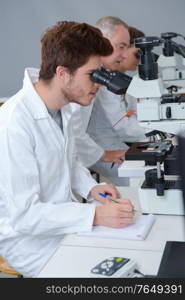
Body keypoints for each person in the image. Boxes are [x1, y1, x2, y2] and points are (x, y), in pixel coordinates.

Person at [0, 21, 135, 277]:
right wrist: (95, 214)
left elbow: (67, 160)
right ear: (63, 73)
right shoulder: (12, 125)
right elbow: (25, 215)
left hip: (63, 225)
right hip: (30, 243)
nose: (99, 83)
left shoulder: (64, 108)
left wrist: (90, 187)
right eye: (92, 75)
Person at [85, 17, 147, 186]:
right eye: (122, 47)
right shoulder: (96, 79)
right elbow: (122, 125)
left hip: (108, 145)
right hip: (99, 148)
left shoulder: (111, 76)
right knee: (141, 178)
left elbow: (129, 117)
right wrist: (154, 133)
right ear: (102, 41)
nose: (126, 55)